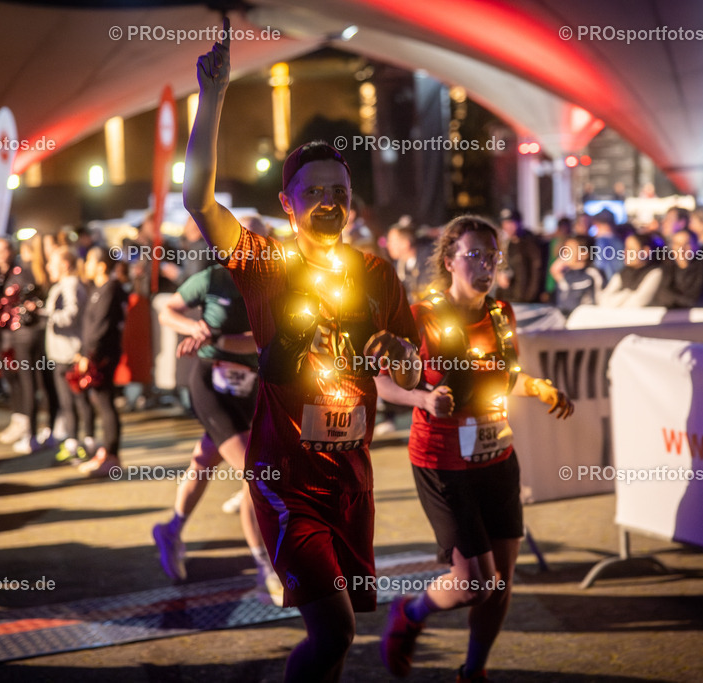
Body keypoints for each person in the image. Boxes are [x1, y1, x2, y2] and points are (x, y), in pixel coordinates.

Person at [183, 21, 421, 682]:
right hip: (286, 479)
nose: (328, 202)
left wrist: (396, 352)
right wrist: (213, 98)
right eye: (313, 191)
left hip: (353, 476)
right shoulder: (264, 261)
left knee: (341, 635)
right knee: (335, 628)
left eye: (338, 193)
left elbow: (407, 363)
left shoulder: (377, 274)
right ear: (288, 204)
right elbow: (195, 198)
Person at [375, 215, 574, 682]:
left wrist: (540, 388)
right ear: (449, 260)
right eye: (474, 255)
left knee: (500, 583)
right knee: (474, 585)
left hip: (497, 457)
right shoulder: (421, 314)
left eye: (492, 255)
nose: (485, 264)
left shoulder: (501, 313)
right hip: (443, 463)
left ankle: (473, 672)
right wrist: (422, 397)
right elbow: (383, 382)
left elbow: (505, 377)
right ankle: (410, 613)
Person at [151, 253, 283, 605]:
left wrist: (218, 339)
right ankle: (265, 567)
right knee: (255, 474)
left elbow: (266, 341)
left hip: (252, 386)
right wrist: (193, 328)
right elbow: (167, 311)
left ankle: (171, 529)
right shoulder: (214, 278)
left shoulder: (278, 283)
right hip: (212, 382)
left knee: (206, 458)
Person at [0, 234, 53, 454]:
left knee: (30, 383)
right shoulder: (37, 270)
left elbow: (23, 302)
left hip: (25, 334)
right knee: (38, 382)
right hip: (31, 334)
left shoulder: (22, 272)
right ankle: (43, 430)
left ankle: (31, 435)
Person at [75, 246, 128, 477]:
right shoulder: (98, 289)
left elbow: (102, 327)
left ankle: (112, 457)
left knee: (106, 404)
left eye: (88, 261)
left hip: (103, 356)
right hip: (94, 354)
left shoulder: (111, 289)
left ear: (101, 266)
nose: (85, 266)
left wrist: (90, 355)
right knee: (100, 401)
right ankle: (105, 452)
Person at [44, 246, 93, 462]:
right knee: (69, 402)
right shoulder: (63, 285)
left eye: (51, 263)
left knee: (78, 401)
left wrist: (45, 315)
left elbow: (71, 315)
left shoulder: (70, 285)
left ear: (64, 265)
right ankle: (75, 441)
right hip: (63, 353)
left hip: (70, 354)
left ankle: (84, 442)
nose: (47, 267)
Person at [652, 228, 703, 309]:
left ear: (696, 246)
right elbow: (661, 294)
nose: (681, 249)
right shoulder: (667, 266)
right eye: (677, 244)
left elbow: (694, 299)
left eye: (686, 244)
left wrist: (674, 299)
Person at [494, 208, 545, 303]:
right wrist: (500, 276)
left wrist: (530, 297)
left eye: (511, 223)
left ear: (519, 222)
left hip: (526, 299)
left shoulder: (531, 242)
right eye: (505, 223)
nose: (507, 227)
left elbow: (537, 271)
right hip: (509, 297)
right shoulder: (506, 244)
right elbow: (502, 265)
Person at [599, 233, 663, 307]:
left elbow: (636, 303)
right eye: (625, 248)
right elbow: (603, 301)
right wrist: (627, 293)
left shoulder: (655, 273)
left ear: (645, 251)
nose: (624, 253)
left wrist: (617, 300)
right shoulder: (623, 272)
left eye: (630, 249)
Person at [550, 234, 604, 315]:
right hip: (563, 322)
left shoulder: (593, 274)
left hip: (585, 322)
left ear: (584, 254)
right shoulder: (566, 276)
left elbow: (601, 300)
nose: (565, 253)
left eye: (570, 249)